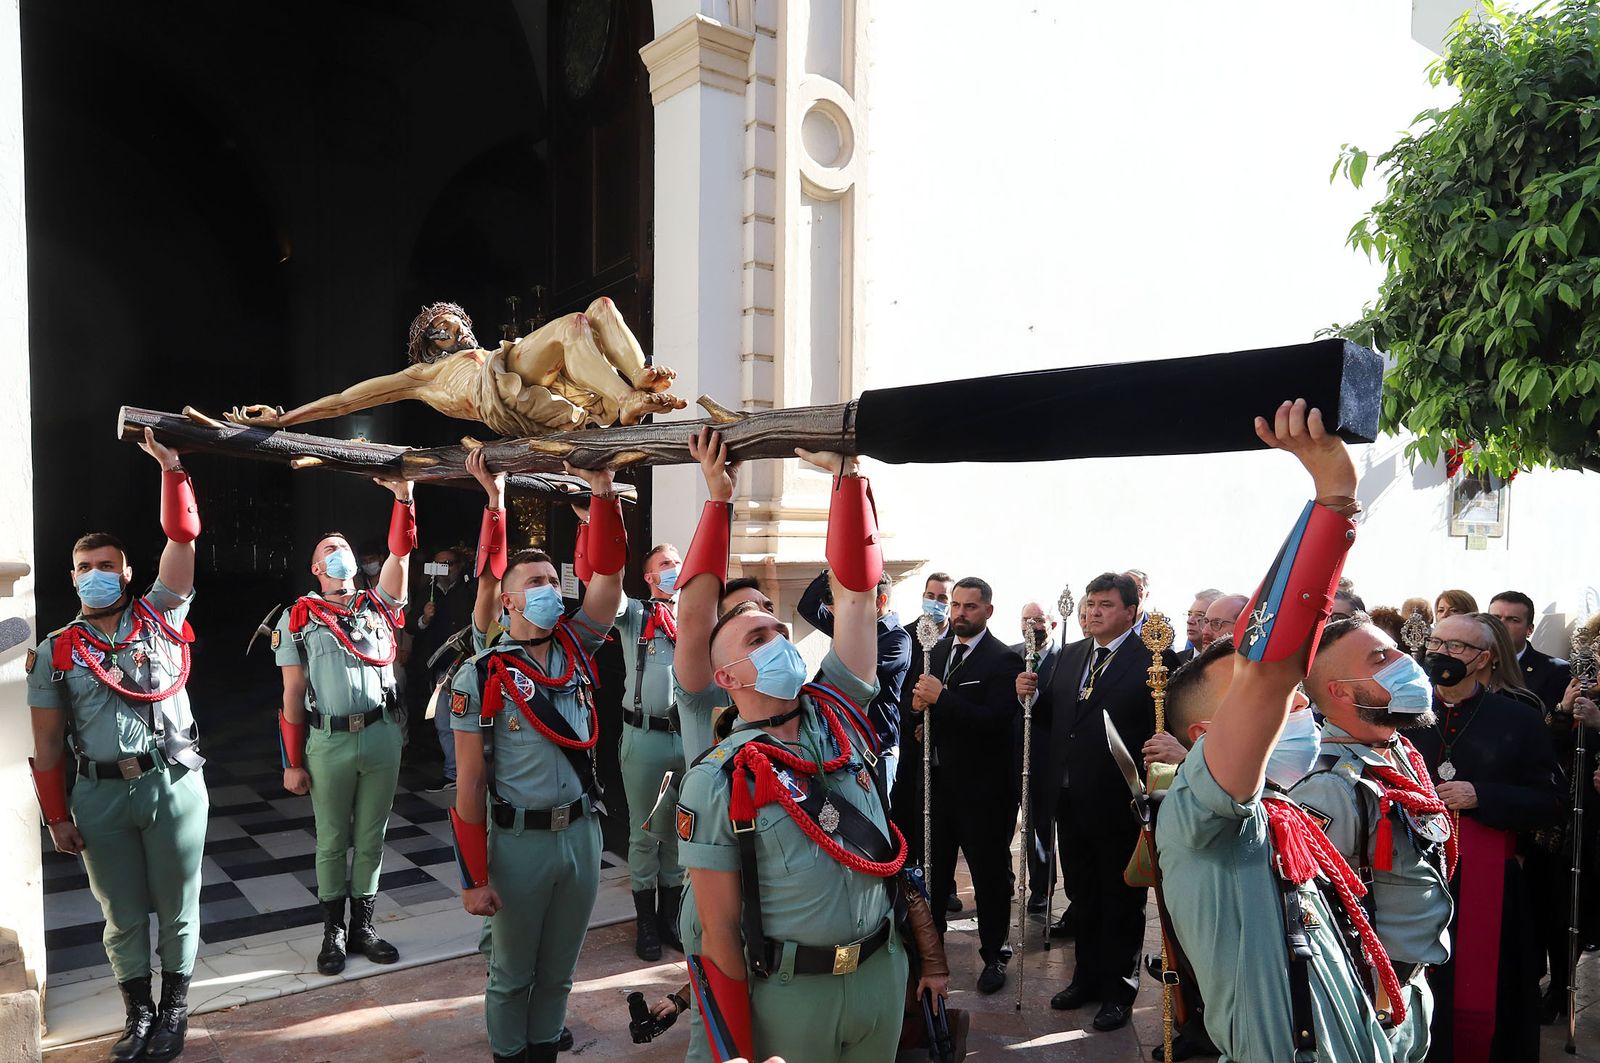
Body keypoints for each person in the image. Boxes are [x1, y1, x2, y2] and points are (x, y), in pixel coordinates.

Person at [1155, 398, 1400, 1061]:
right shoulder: (1199, 815)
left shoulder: (1278, 811)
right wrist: (1333, 499)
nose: (1294, 700)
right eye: (1267, 695)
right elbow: (1271, 667)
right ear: (1207, 733)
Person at [678, 446, 936, 1063]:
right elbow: (718, 933)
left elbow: (854, 597)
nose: (780, 638)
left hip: (877, 977)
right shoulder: (718, 777)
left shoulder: (839, 707)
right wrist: (719, 498)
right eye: (757, 636)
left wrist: (848, 483)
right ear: (730, 674)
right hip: (788, 998)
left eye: (778, 626)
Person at [28, 430, 205, 1063]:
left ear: (128, 571)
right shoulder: (55, 650)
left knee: (178, 905)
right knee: (122, 915)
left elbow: (182, 540)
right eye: (85, 569)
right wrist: (56, 816)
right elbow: (47, 743)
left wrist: (172, 468)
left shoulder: (163, 615)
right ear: (70, 578)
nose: (97, 576)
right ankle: (138, 1015)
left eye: (107, 566)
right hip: (99, 794)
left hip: (173, 784)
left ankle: (176, 1007)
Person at [446, 462, 624, 1063]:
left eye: (556, 577)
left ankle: (544, 1048)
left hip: (580, 834)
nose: (554, 587)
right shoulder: (480, 673)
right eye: (538, 581)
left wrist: (602, 495)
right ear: (509, 599)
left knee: (559, 971)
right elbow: (468, 784)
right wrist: (473, 877)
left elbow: (610, 580)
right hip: (517, 843)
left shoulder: (577, 645)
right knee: (511, 972)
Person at [1290, 618, 1454, 1063]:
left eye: (1396, 651)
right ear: (1341, 691)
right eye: (1381, 659)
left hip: (1408, 983)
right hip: (1369, 996)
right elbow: (1319, 912)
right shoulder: (1328, 785)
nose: (1407, 663)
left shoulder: (1395, 747)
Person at [275, 477, 417, 978]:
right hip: (328, 740)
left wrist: (404, 498)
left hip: (380, 735)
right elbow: (292, 695)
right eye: (330, 551)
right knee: (333, 839)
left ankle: (364, 926)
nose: (340, 556)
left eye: (345, 549)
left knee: (373, 836)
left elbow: (400, 558)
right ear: (317, 569)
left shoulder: (380, 606)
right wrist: (292, 762)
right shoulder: (298, 617)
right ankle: (333, 931)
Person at [1408, 612, 1564, 1062]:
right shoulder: (1401, 715)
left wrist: (1483, 794)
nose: (1441, 654)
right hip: (1410, 875)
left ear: (1484, 659)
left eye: (1456, 648)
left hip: (1487, 882)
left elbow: (1551, 801)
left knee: (1488, 992)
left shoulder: (1518, 718)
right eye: (1437, 644)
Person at [1024, 570, 1171, 1032]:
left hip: (1119, 798)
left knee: (1120, 898)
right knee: (1083, 894)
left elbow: (1160, 723)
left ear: (1130, 611)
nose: (1093, 611)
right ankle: (1084, 978)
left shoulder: (1153, 660)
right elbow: (1056, 716)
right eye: (1090, 603)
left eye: (1105, 604)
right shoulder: (1070, 654)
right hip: (1069, 796)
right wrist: (1028, 696)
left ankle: (1118, 989)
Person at [227, 298, 687, 435]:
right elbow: (351, 397)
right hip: (499, 393)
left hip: (520, 374)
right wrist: (287, 418)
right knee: (571, 324)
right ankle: (625, 398)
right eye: (446, 330)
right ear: (430, 344)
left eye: (460, 325)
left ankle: (637, 379)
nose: (459, 333)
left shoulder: (486, 352)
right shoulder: (422, 376)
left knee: (600, 310)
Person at [911, 576, 1026, 994]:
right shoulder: (935, 651)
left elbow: (996, 722)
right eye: (956, 605)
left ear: (988, 611)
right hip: (938, 788)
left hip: (984, 793)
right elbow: (923, 707)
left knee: (989, 879)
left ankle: (995, 954)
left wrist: (942, 700)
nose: (959, 613)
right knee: (935, 877)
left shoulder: (1003, 660)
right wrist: (920, 715)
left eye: (969, 607)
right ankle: (931, 955)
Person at [599, 528, 688, 963]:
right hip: (645, 738)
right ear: (650, 577)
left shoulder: (695, 616)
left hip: (687, 739)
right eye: (667, 565)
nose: (676, 569)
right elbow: (608, 592)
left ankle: (670, 918)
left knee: (677, 831)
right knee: (644, 832)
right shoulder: (635, 613)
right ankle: (646, 923)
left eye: (678, 562)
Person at [798, 567, 911, 794]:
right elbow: (807, 607)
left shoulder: (898, 639)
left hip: (878, 745)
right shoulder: (853, 628)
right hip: (844, 740)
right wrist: (833, 573)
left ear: (881, 600)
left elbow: (854, 676)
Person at [1010, 601, 1062, 913]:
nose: (1031, 626)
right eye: (1026, 619)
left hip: (1045, 754)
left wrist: (1036, 698)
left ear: (1052, 624)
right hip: (1010, 752)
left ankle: (1041, 888)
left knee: (1040, 827)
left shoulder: (1067, 658)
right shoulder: (1010, 656)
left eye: (1038, 620)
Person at [412, 545, 474, 787]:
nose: (442, 570)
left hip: (466, 666)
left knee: (466, 722)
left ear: (458, 567)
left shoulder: (469, 590)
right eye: (438, 565)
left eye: (447, 564)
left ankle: (469, 773)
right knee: (443, 722)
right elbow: (410, 627)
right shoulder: (428, 592)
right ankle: (451, 772)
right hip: (439, 669)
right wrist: (424, 618)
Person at [1487, 590, 1571, 712]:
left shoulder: (1555, 670)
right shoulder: (1471, 661)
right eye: (1495, 618)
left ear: (1530, 630)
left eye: (1513, 620)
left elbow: (1554, 725)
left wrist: (1561, 709)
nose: (1501, 624)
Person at [1178, 589, 1224, 665]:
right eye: (1189, 614)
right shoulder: (1176, 661)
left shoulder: (1232, 664)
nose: (1189, 621)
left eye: (1199, 615)